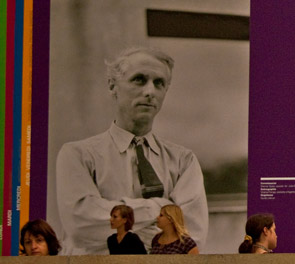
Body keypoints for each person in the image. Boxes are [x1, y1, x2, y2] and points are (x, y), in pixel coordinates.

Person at [55, 47, 208, 254]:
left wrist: (115, 226)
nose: (150, 91)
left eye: (159, 83)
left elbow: (190, 238)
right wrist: (160, 209)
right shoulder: (77, 155)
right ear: (112, 86)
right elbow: (81, 226)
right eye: (139, 79)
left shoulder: (184, 161)